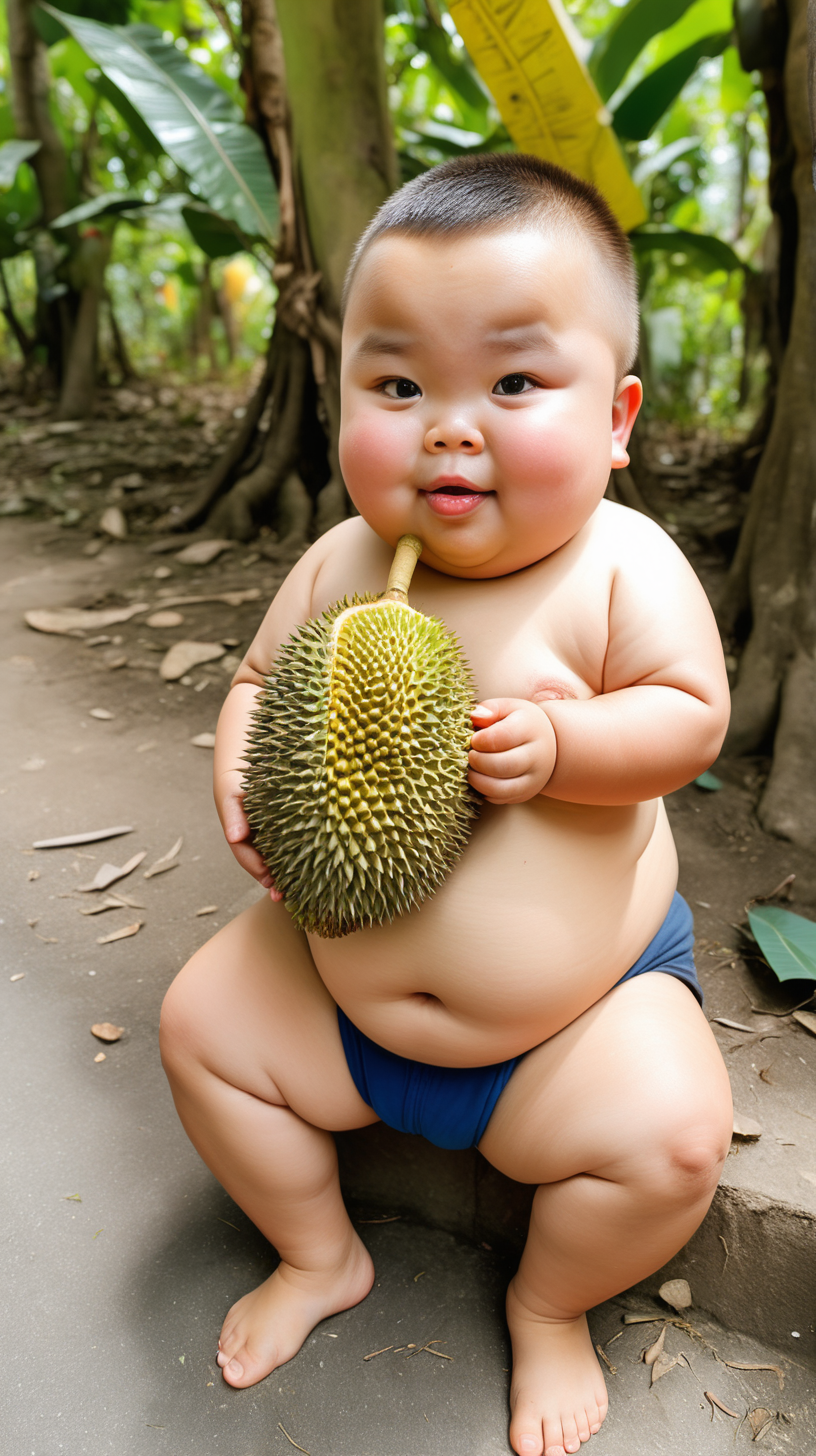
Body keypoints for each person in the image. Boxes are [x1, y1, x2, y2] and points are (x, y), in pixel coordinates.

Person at [159, 154, 733, 1456]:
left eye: (516, 382)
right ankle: (318, 1256)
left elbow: (691, 716)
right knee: (198, 1029)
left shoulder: (620, 566)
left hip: (570, 1029)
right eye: (399, 383)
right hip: (335, 991)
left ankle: (548, 1303)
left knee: (676, 1141)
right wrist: (237, 763)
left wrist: (566, 742)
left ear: (617, 417)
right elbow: (257, 679)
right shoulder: (344, 561)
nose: (449, 425)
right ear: (343, 388)